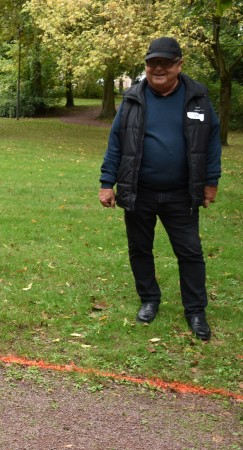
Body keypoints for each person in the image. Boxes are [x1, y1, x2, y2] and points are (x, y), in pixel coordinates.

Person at [99, 37, 222, 341]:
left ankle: (195, 310)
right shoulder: (132, 99)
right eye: (153, 63)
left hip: (182, 193)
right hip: (139, 191)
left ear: (179, 65)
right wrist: (106, 182)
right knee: (140, 249)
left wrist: (211, 181)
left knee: (190, 252)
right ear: (146, 66)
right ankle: (149, 299)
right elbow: (116, 142)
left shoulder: (197, 97)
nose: (159, 68)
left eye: (166, 63)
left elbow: (211, 141)